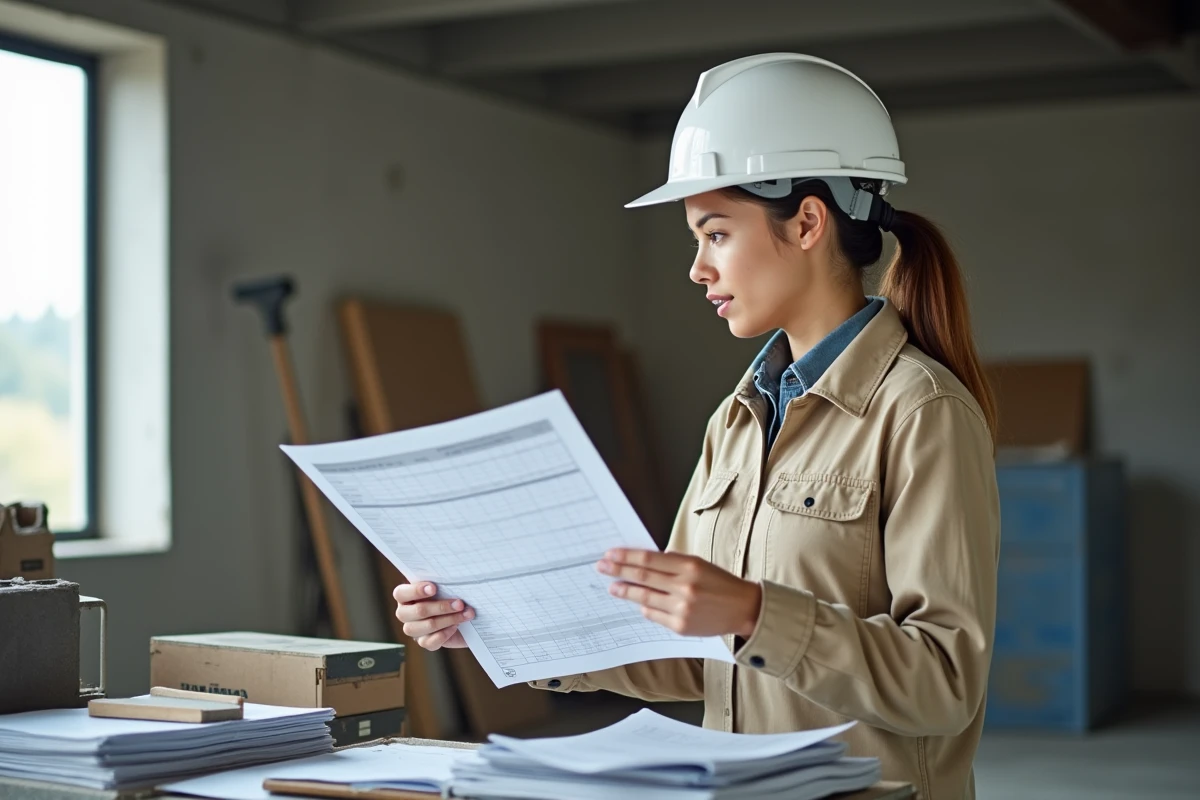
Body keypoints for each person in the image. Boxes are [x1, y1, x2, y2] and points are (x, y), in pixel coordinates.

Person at [393, 53, 1000, 799]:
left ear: (807, 222)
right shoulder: (738, 419)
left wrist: (753, 613)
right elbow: (688, 651)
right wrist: (498, 626)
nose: (697, 269)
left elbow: (945, 683)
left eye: (715, 233)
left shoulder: (920, 411)